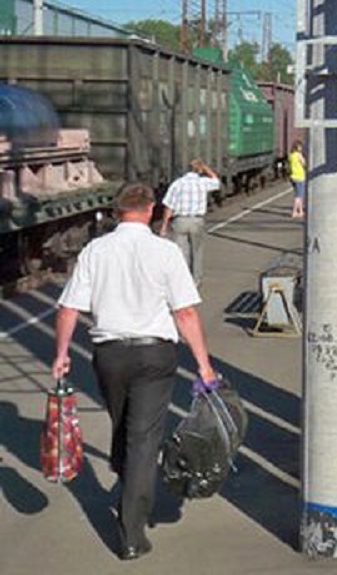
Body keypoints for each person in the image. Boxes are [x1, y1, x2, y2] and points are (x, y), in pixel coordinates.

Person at [51, 182, 218, 561]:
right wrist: (204, 366)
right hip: (155, 355)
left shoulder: (96, 250)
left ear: (117, 211)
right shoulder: (165, 251)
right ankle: (131, 532)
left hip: (109, 355)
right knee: (143, 439)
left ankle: (126, 476)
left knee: (124, 423)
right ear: (150, 209)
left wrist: (61, 353)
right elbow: (185, 313)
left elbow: (68, 309)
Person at [158, 159, 220, 284]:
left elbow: (169, 206)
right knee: (196, 251)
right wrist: (205, 167)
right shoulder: (202, 183)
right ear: (199, 170)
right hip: (196, 220)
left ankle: (182, 280)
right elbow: (216, 181)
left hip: (180, 221)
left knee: (181, 252)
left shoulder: (177, 184)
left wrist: (164, 226)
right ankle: (196, 280)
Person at [288, 140, 306, 219]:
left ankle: (301, 211)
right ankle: (294, 212)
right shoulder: (298, 155)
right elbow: (304, 163)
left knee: (299, 195)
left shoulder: (291, 155)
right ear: (297, 147)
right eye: (300, 146)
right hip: (299, 177)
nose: (301, 148)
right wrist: (302, 157)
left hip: (292, 177)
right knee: (298, 196)